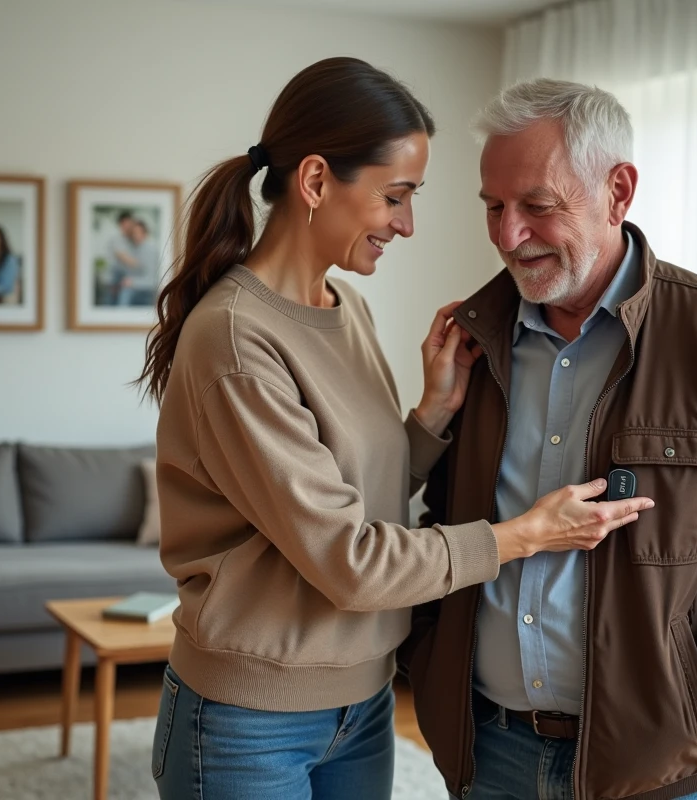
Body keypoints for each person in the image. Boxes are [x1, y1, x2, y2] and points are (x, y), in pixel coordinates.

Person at [136, 58, 653, 800]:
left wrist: (429, 419)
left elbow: (348, 496)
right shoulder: (236, 337)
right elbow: (349, 560)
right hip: (249, 720)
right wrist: (527, 535)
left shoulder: (346, 310)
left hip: (363, 704)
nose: (407, 224)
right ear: (316, 183)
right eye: (396, 196)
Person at [399, 78, 697, 800]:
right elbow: (439, 525)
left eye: (537, 206)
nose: (507, 235)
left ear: (618, 192)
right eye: (493, 206)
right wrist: (429, 660)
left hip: (660, 770)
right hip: (489, 755)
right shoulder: (472, 341)